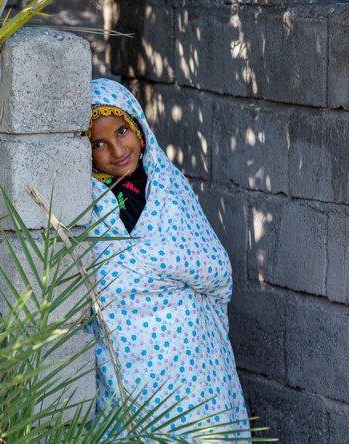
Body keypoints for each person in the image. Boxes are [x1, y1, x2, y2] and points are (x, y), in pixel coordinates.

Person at [86, 78, 250, 439]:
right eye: (99, 143)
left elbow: (213, 265)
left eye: (123, 132)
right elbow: (102, 277)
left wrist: (160, 269)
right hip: (128, 358)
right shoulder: (87, 201)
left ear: (140, 128)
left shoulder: (168, 186)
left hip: (191, 354)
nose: (117, 150)